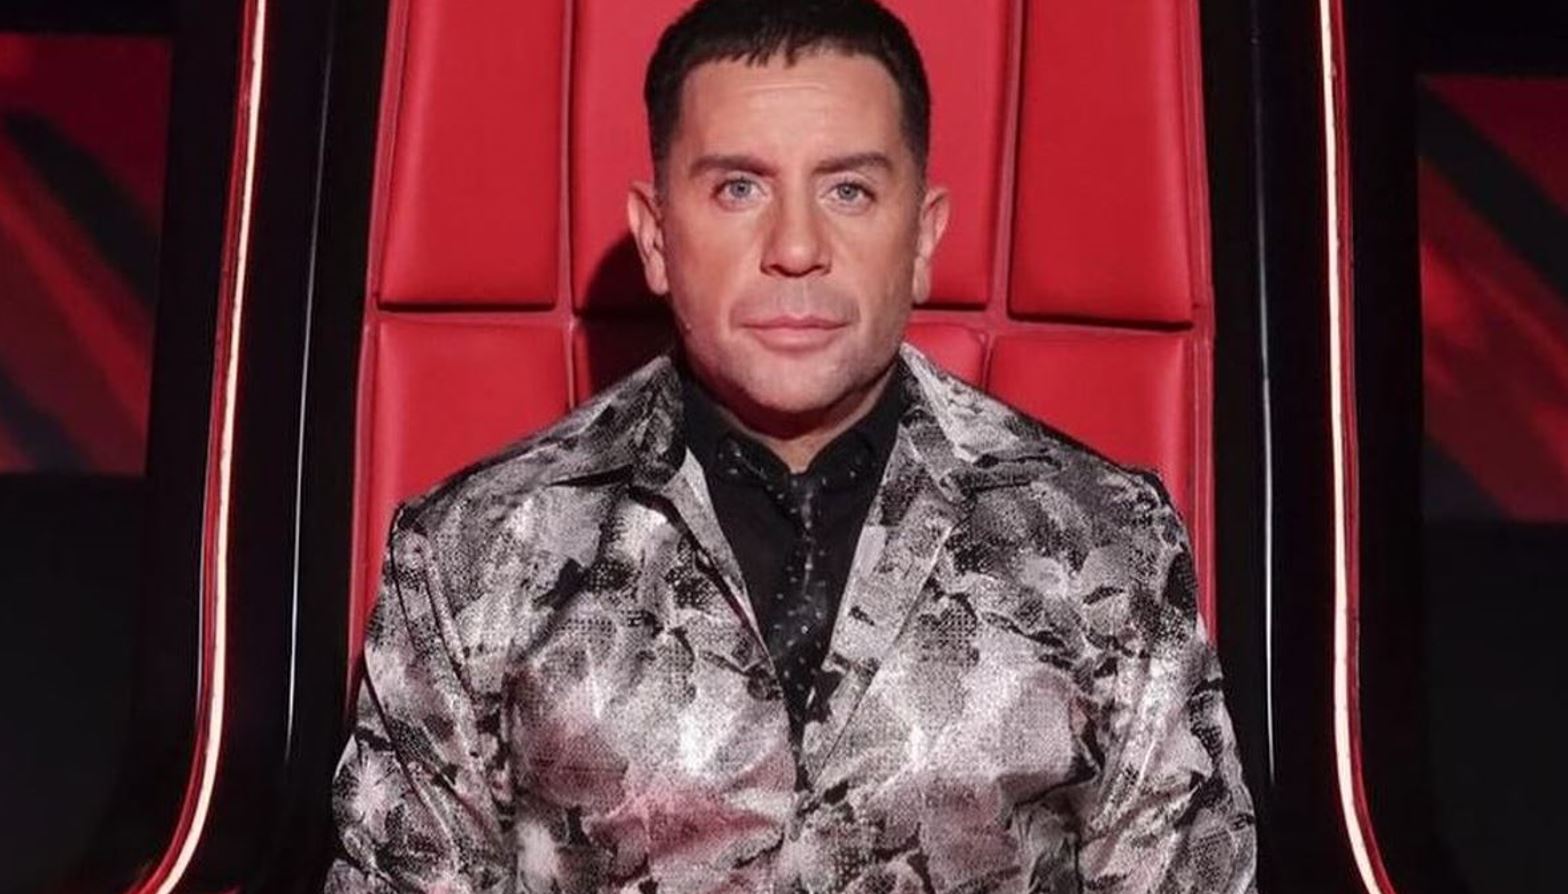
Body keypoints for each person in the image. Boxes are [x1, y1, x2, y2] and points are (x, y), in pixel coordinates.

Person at [325, 0, 1257, 890]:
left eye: (849, 190)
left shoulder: (1104, 541)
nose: (797, 246)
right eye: (739, 188)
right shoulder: (471, 554)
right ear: (657, 239)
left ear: (922, 237)